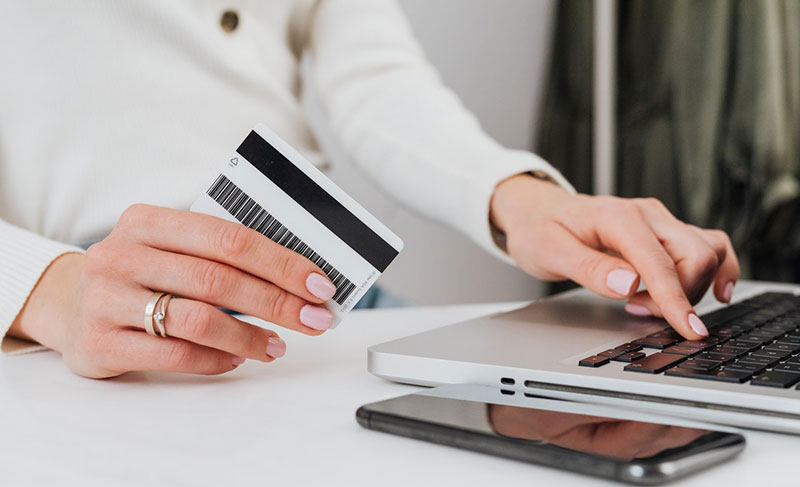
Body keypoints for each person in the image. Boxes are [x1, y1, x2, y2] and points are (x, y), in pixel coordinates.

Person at [0, 0, 739, 379]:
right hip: (86, 317)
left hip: (322, 301)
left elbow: (377, 79)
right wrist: (46, 289)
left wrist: (528, 201)